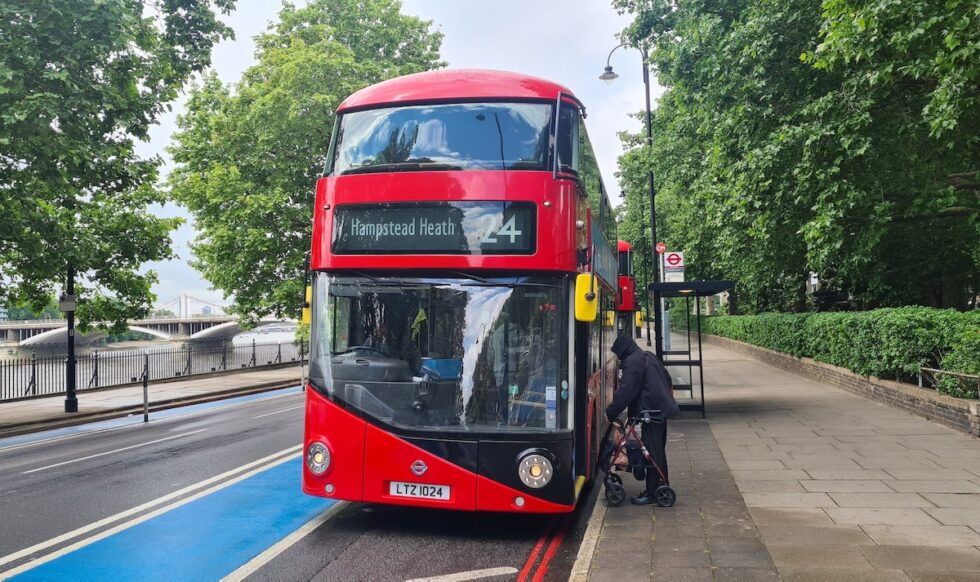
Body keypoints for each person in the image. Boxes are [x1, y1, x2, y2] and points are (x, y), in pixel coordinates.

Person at [606, 333, 679, 505]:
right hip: (659, 411)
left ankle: (653, 492)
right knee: (657, 450)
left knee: (652, 451)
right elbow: (667, 379)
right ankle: (661, 484)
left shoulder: (633, 362)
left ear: (622, 350)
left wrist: (610, 412)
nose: (619, 358)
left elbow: (627, 391)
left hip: (651, 413)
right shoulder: (648, 356)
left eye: (618, 354)